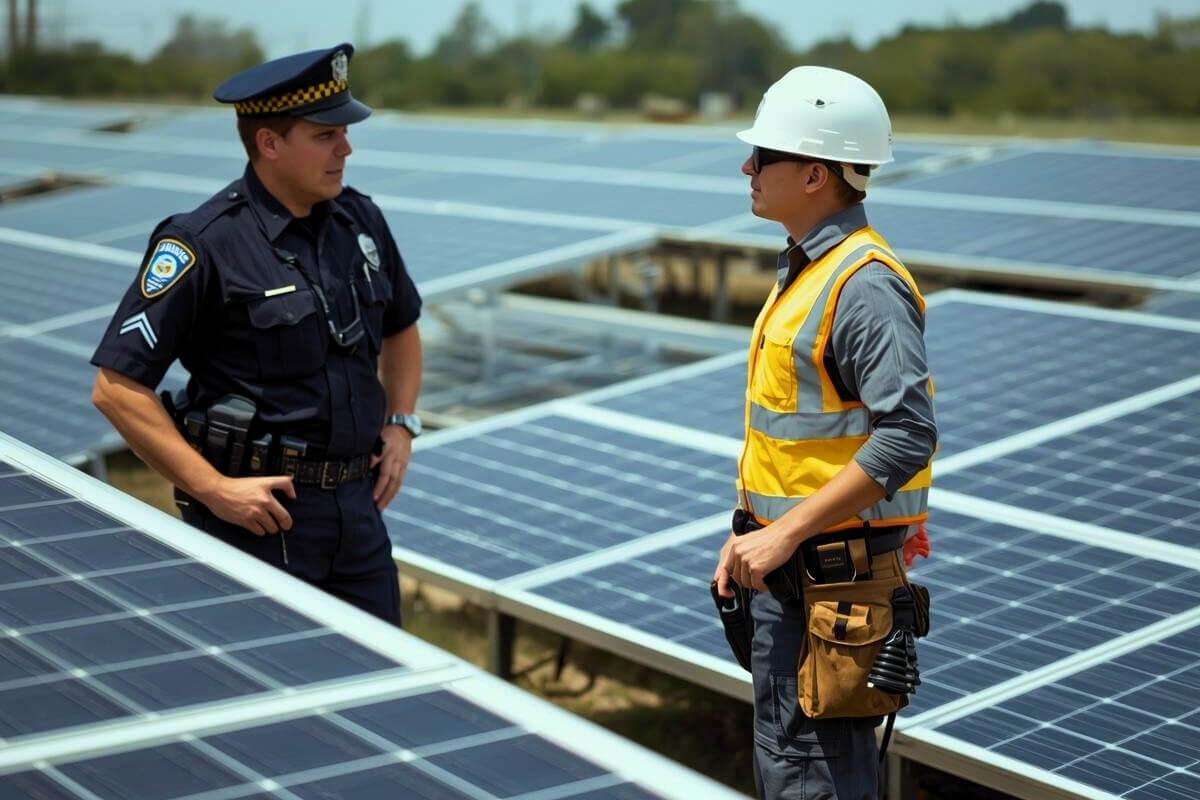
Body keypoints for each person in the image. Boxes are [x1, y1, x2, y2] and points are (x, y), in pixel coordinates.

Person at [90, 43, 423, 625]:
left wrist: (401, 423)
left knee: (381, 692)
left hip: (358, 513)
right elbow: (117, 387)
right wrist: (215, 488)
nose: (346, 147)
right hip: (258, 521)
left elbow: (402, 323)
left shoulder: (359, 220)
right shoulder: (202, 242)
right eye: (325, 135)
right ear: (269, 144)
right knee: (263, 699)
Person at [712, 66, 937, 799]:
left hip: (827, 585)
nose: (747, 167)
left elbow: (906, 435)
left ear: (814, 174)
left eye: (764, 156)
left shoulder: (863, 284)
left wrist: (783, 533)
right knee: (791, 765)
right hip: (791, 578)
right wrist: (751, 527)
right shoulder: (810, 270)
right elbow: (795, 443)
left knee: (812, 779)